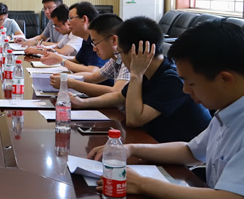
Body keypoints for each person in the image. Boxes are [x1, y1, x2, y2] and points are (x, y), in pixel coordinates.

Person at [88, 21, 244, 199]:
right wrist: (131, 148)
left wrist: (142, 184)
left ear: (225, 79)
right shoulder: (231, 108)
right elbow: (190, 151)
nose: (185, 90)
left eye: (191, 83)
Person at [71, 16, 211, 143]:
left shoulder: (172, 79)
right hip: (155, 142)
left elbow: (134, 119)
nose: (121, 59)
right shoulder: (149, 71)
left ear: (135, 52)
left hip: (183, 156)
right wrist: (83, 103)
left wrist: (136, 74)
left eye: (120, 52)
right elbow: (120, 96)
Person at [49, 13, 130, 97]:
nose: (94, 49)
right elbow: (94, 76)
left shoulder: (127, 58)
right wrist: (66, 77)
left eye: (96, 43)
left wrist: (71, 83)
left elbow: (116, 92)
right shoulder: (116, 58)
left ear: (114, 40)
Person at [41, 2, 107, 73]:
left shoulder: (100, 39)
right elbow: (77, 60)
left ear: (84, 19)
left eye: (71, 18)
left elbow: (93, 70)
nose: (68, 23)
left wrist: (61, 61)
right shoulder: (86, 39)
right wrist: (56, 59)